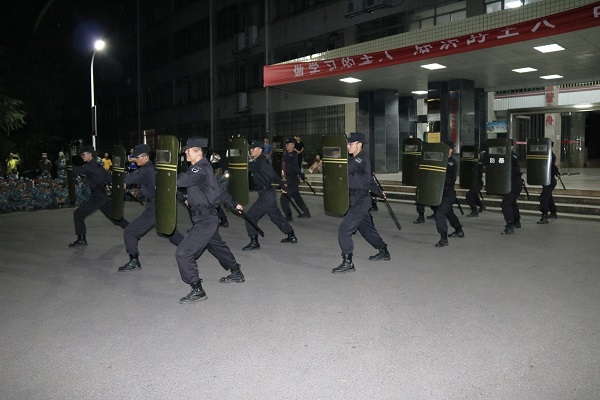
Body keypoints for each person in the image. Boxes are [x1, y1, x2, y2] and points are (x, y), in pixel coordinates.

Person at [173, 137, 244, 304]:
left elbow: (180, 181)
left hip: (205, 220)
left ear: (198, 152)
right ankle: (236, 272)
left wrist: (168, 174)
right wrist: (233, 203)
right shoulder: (205, 169)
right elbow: (218, 189)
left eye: (188, 150)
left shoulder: (199, 169)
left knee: (183, 253)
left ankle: (197, 289)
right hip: (204, 217)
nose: (185, 153)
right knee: (218, 247)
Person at [333, 132, 389, 274]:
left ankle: (348, 262)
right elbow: (369, 181)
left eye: (350, 144)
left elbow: (345, 168)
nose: (348, 146)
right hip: (356, 199)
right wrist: (379, 192)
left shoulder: (360, 159)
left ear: (359, 144)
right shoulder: (356, 159)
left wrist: (334, 158)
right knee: (367, 230)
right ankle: (384, 251)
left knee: (344, 230)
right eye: (347, 143)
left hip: (361, 200)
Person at [68, 145, 129, 247]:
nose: (82, 156)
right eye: (81, 155)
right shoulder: (97, 166)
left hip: (98, 197)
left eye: (83, 154)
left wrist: (67, 165)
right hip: (102, 196)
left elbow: (78, 170)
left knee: (78, 214)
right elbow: (109, 178)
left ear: (90, 154)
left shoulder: (91, 166)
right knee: (115, 218)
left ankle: (81, 239)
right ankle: (133, 230)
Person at [242, 140, 297, 251]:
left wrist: (282, 185)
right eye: (250, 148)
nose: (251, 150)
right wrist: (282, 185)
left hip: (266, 194)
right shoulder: (261, 161)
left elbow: (245, 168)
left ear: (260, 150)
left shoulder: (259, 162)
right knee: (276, 216)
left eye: (253, 148)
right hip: (268, 193)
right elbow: (273, 174)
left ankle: (254, 242)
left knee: (250, 217)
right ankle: (291, 235)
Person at [118, 144, 156, 271]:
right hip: (159, 206)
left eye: (137, 157)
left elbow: (127, 178)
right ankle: (196, 248)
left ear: (146, 157)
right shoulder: (151, 168)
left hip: (154, 209)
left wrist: (113, 175)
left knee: (130, 232)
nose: (135, 160)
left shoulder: (146, 170)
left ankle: (134, 261)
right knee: (172, 234)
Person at [433, 140, 464, 247]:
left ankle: (444, 238)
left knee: (439, 214)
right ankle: (459, 230)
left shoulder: (452, 163)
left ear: (451, 150)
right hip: (440, 193)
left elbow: (450, 180)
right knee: (449, 213)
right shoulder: (440, 160)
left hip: (448, 194)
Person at [281, 137, 310, 221]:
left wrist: (302, 176)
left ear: (293, 145)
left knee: (284, 197)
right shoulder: (288, 154)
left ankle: (288, 215)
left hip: (293, 179)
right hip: (290, 179)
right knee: (296, 196)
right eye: (286, 144)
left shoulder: (293, 155)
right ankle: (306, 212)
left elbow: (295, 167)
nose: (286, 145)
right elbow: (295, 167)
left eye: (288, 144)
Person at [501, 139, 523, 235]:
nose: (504, 148)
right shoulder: (504, 156)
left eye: (506, 146)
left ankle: (510, 225)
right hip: (508, 185)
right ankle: (516, 221)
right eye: (503, 146)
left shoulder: (513, 156)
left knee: (506, 203)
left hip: (515, 184)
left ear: (511, 147)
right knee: (512, 203)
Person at [538, 141, 560, 224]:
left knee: (543, 197)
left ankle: (544, 215)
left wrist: (556, 172)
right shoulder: (546, 155)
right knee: (548, 196)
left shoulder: (550, 155)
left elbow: (552, 166)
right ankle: (553, 212)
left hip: (550, 180)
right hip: (546, 180)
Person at [466, 151, 486, 217]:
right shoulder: (472, 163)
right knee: (474, 196)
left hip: (478, 183)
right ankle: (481, 205)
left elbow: (480, 172)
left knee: (469, 195)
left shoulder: (479, 164)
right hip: (473, 183)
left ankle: (474, 210)